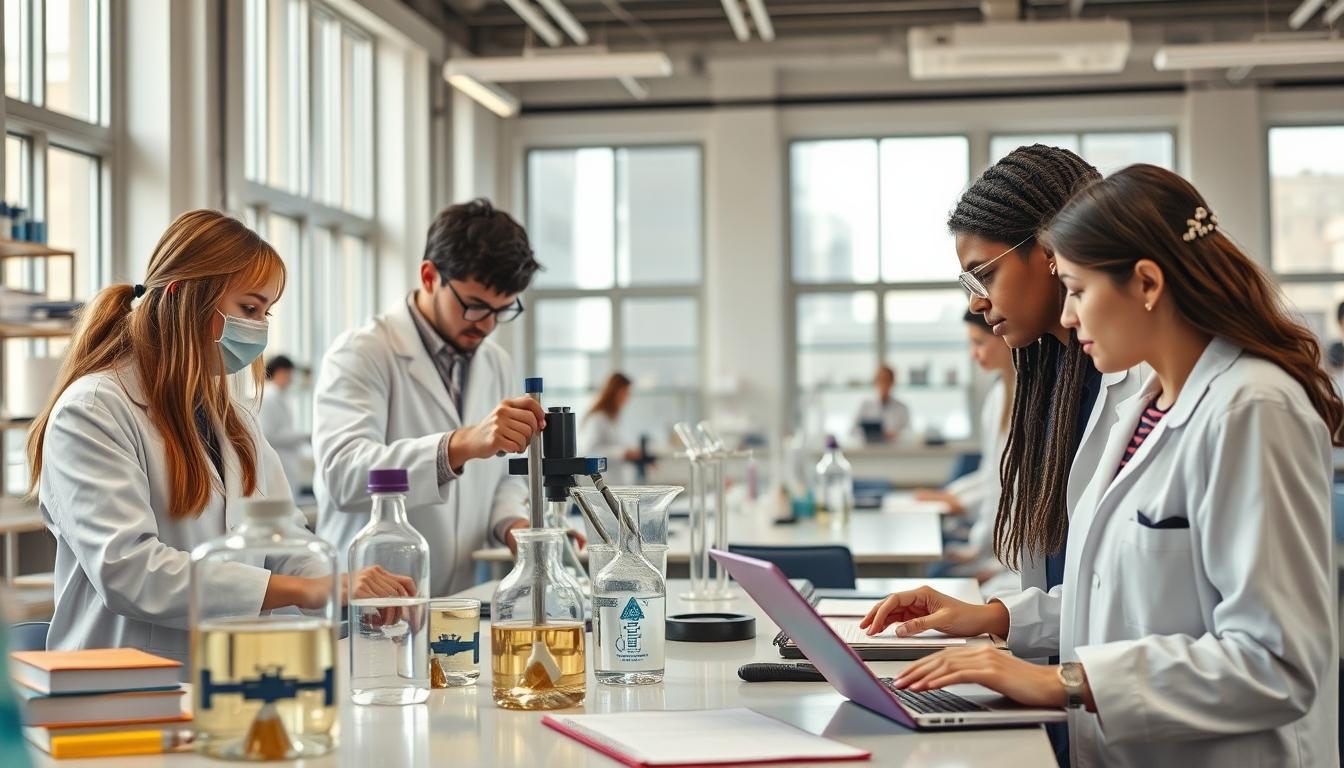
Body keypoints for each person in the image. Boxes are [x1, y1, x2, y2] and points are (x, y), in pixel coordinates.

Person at [864, 165, 1340, 766]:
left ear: (1145, 284)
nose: (1066, 316)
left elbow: (1275, 663)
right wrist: (999, 618)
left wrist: (1065, 681)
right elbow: (1108, 598)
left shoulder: (1252, 408)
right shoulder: (1146, 409)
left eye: (1079, 290)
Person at [28, 210, 404, 665]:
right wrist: (310, 588)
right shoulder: (93, 410)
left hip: (228, 677)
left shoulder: (235, 419)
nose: (260, 327)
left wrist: (347, 585)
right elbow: (130, 571)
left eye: (266, 312)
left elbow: (283, 541)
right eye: (249, 308)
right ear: (183, 298)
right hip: (123, 687)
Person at [314, 199, 570, 597]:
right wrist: (461, 444)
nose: (486, 325)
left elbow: (503, 478)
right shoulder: (363, 352)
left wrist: (515, 526)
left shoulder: (494, 361)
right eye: (474, 306)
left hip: (455, 603)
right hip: (368, 606)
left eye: (502, 311)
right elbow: (343, 475)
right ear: (430, 276)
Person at [920, 311, 1014, 586]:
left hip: (1008, 562)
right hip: (996, 552)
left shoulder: (1025, 398)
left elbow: (1004, 489)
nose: (974, 354)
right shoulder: (999, 395)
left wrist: (984, 553)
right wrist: (949, 496)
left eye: (979, 343)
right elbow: (992, 473)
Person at [580, 373, 646, 484]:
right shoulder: (598, 419)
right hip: (603, 485)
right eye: (625, 392)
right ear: (613, 392)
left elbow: (617, 445)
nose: (627, 398)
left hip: (616, 483)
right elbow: (590, 451)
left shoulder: (613, 419)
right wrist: (623, 453)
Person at [259, 354, 309, 498]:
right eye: (289, 373)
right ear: (280, 372)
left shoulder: (279, 397)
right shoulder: (269, 397)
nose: (291, 379)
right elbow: (269, 436)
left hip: (286, 465)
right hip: (277, 464)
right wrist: (306, 436)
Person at [853, 365, 909, 443]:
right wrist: (869, 434)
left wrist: (896, 434)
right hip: (868, 451)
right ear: (875, 382)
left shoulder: (902, 408)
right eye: (881, 380)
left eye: (887, 380)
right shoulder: (865, 405)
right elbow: (853, 430)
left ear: (892, 382)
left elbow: (909, 433)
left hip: (894, 451)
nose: (884, 384)